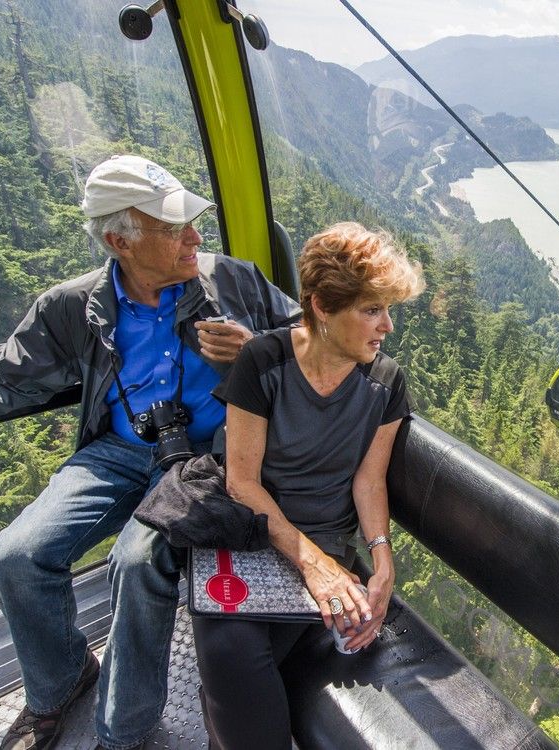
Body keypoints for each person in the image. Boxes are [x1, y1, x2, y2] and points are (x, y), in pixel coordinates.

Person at [0, 154, 301, 750]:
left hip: (207, 459)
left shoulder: (233, 280)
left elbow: (311, 343)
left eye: (191, 221)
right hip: (119, 450)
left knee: (137, 564)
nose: (195, 236)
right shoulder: (73, 306)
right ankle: (61, 684)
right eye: (173, 228)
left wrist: (254, 353)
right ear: (120, 240)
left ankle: (123, 733)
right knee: (14, 557)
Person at [191, 222, 425, 749]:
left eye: (389, 309)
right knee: (230, 650)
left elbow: (368, 480)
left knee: (242, 670)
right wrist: (314, 567)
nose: (387, 325)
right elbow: (243, 483)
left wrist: (382, 561)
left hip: (326, 546)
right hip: (254, 535)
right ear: (320, 306)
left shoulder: (384, 381)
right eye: (371, 310)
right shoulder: (264, 361)